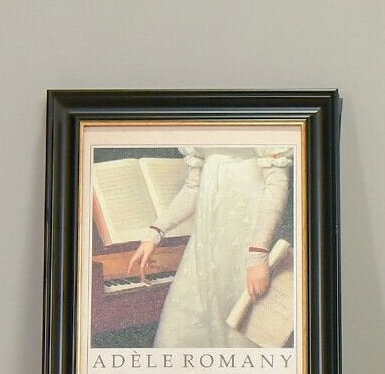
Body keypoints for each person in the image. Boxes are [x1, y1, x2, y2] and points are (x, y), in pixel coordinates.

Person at [125, 145, 292, 348]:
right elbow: (193, 188)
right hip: (206, 240)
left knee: (241, 330)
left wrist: (258, 254)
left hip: (248, 236)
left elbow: (277, 184)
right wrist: (155, 232)